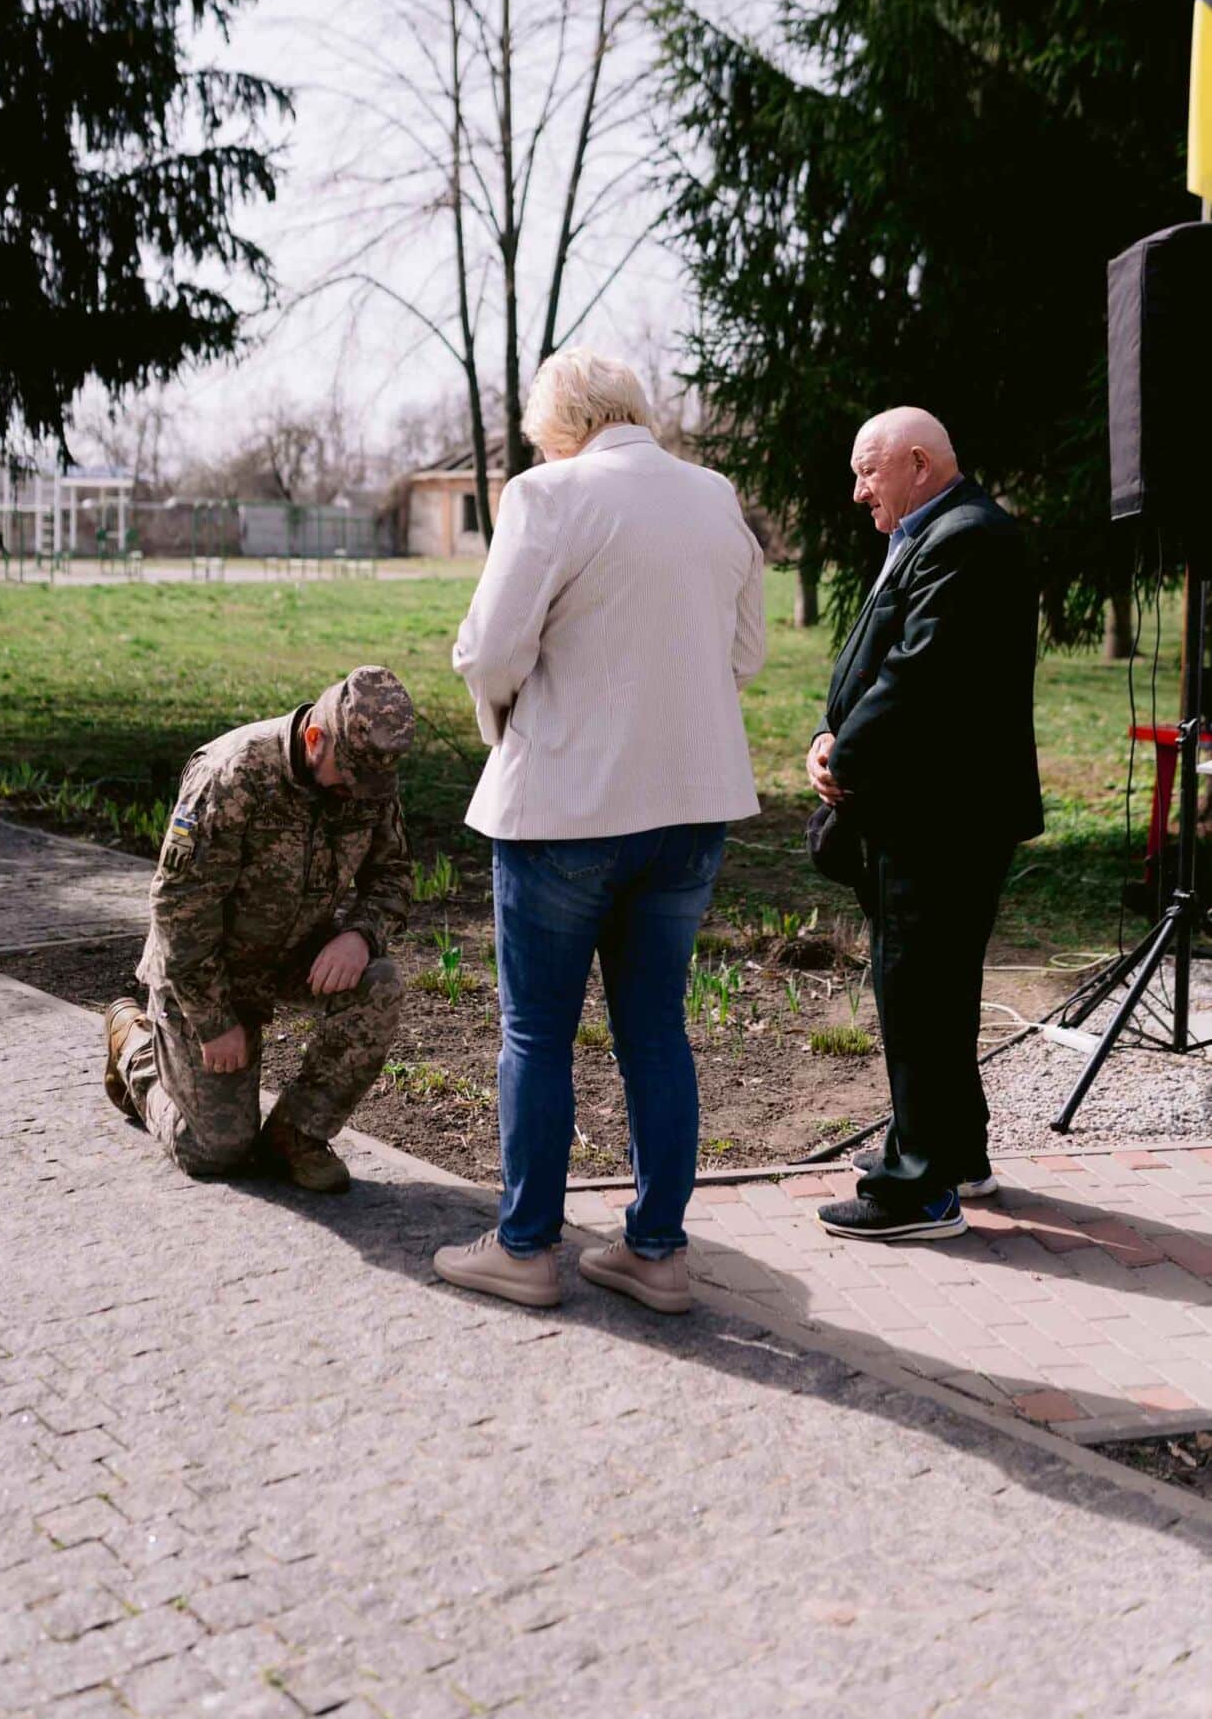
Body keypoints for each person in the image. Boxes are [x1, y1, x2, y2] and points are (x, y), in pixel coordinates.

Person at [433, 346, 766, 1312]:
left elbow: (490, 650)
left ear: (560, 427)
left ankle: (527, 1246)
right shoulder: (714, 496)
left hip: (566, 804)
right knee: (656, 1031)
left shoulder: (547, 495)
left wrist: (508, 714)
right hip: (692, 803)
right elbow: (744, 653)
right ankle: (656, 1250)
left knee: (537, 1031)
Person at [807, 408, 1043, 1242]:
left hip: (939, 818)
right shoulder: (935, 532)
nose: (857, 491)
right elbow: (872, 662)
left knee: (917, 996)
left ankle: (918, 1190)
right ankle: (959, 1155)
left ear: (917, 462)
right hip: (931, 812)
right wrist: (826, 736)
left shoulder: (966, 537)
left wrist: (842, 760)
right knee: (938, 993)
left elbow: (918, 677)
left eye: (867, 471)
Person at [102, 666, 415, 1191]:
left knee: (379, 983)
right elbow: (179, 906)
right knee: (215, 1151)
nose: (358, 794)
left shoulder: (366, 777)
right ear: (314, 739)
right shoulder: (231, 774)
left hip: (294, 953)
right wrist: (213, 1019)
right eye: (348, 778)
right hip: (208, 968)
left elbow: (394, 874)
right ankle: (136, 1052)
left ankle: (296, 1135)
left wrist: (360, 935)